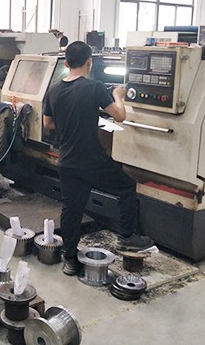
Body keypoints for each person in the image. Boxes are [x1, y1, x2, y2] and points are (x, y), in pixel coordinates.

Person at [42, 41, 153, 276]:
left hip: (67, 161)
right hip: (92, 161)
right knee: (126, 186)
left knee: (71, 210)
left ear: (66, 63)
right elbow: (120, 116)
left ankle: (70, 260)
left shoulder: (53, 89)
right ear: (89, 62)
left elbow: (47, 123)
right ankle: (127, 238)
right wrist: (117, 95)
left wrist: (70, 121)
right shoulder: (95, 87)